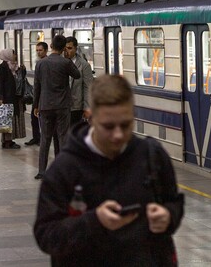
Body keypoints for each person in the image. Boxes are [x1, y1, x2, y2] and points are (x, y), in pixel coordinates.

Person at [34, 74, 184, 266]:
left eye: (126, 124)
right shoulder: (65, 169)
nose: (118, 134)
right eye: (109, 126)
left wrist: (168, 216)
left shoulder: (151, 156)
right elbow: (46, 235)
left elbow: (174, 203)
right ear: (90, 117)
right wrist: (95, 221)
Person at [32, 34, 80, 180]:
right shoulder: (65, 62)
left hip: (45, 105)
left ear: (51, 46)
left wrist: (36, 105)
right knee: (62, 137)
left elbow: (37, 86)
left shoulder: (41, 63)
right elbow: (77, 75)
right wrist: (67, 58)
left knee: (45, 139)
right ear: (64, 48)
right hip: (62, 106)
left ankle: (41, 171)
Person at [0, 48, 26, 149]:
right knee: (7, 120)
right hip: (8, 98)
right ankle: (7, 141)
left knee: (12, 120)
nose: (15, 56)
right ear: (7, 55)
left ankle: (9, 140)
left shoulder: (15, 67)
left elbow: (19, 81)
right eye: (13, 54)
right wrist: (0, 97)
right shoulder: (2, 68)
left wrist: (23, 71)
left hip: (16, 98)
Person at [64, 36, 93, 126]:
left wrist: (87, 107)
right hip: (61, 106)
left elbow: (88, 87)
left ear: (76, 48)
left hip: (76, 106)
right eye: (65, 48)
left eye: (69, 48)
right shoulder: (59, 63)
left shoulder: (84, 65)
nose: (66, 51)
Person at [25, 41, 48, 146]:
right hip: (37, 94)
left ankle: (43, 138)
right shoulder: (38, 62)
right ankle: (36, 137)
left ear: (46, 50)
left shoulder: (47, 62)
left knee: (42, 118)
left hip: (44, 95)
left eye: (40, 50)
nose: (38, 53)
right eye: (37, 50)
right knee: (34, 117)